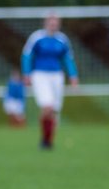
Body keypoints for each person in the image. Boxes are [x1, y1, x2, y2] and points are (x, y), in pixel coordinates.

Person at [21, 13, 79, 150]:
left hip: (56, 76)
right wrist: (26, 73)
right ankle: (45, 140)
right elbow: (27, 55)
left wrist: (73, 76)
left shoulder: (62, 39)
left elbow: (68, 59)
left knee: (53, 110)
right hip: (40, 75)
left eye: (56, 22)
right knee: (47, 106)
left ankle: (48, 141)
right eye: (51, 22)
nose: (53, 24)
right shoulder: (37, 37)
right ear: (45, 23)